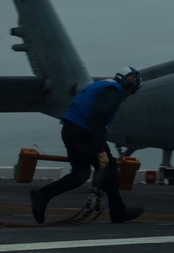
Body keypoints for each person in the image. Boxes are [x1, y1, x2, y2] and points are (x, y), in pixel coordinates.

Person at [30, 67, 146, 224]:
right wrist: (101, 151)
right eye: (133, 90)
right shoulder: (113, 90)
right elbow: (96, 120)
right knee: (110, 168)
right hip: (84, 134)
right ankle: (118, 212)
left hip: (70, 130)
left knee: (80, 174)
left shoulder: (104, 85)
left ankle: (42, 195)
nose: (130, 94)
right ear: (129, 84)